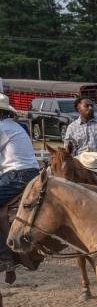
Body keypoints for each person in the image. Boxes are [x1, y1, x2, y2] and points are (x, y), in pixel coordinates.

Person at [0, 93, 40, 272]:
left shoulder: (1, 128)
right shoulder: (15, 126)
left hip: (17, 175)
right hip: (31, 173)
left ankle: (4, 255)